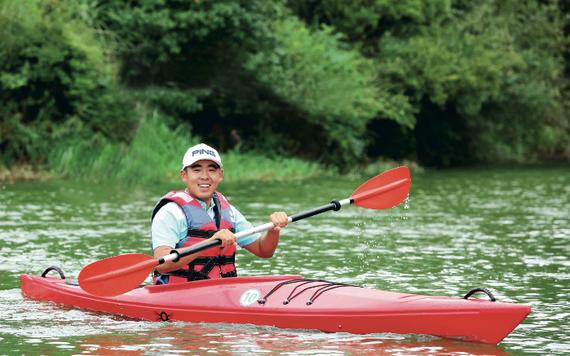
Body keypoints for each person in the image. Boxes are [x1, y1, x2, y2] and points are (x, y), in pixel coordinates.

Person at [150, 143, 288, 284]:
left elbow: (263, 250)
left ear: (220, 175)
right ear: (184, 175)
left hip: (221, 292)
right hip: (176, 294)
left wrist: (273, 230)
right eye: (196, 170)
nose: (205, 176)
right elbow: (162, 264)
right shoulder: (170, 213)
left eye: (211, 170)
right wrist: (210, 242)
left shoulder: (229, 212)